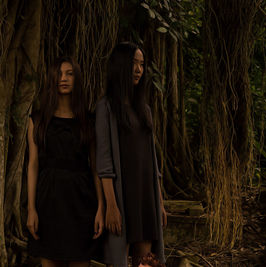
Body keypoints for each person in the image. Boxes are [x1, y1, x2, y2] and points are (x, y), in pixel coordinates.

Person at [26, 56, 104, 267]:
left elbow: (96, 166)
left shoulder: (88, 121)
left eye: (69, 74)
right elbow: (32, 166)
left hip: (81, 201)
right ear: (51, 78)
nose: (64, 78)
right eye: (59, 74)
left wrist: (100, 208)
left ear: (76, 79)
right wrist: (31, 209)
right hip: (49, 201)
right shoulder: (37, 120)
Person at [95, 42, 167, 267]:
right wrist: (111, 205)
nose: (138, 70)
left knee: (145, 262)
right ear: (120, 66)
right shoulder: (105, 108)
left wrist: (160, 202)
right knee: (118, 260)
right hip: (121, 196)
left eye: (142, 64)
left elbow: (152, 161)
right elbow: (104, 161)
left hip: (146, 196)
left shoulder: (143, 110)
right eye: (133, 64)